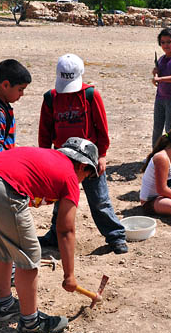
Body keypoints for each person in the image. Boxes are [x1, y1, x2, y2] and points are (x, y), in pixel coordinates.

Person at [0, 137, 99, 333]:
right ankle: (30, 323)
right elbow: (65, 229)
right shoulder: (70, 174)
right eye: (87, 175)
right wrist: (69, 276)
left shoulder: (48, 157)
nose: (83, 180)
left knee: (0, 247)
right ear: (82, 166)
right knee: (29, 255)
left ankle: (4, 306)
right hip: (0, 187)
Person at [38, 54, 128, 254]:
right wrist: (45, 159)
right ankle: (55, 234)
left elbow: (102, 128)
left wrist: (102, 155)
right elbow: (44, 133)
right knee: (60, 199)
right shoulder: (51, 98)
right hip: (61, 159)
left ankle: (115, 235)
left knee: (100, 199)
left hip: (89, 158)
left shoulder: (90, 95)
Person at [0, 59, 31, 273]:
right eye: (20, 90)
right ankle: (7, 271)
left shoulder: (2, 108)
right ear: (5, 85)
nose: (22, 95)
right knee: (6, 227)